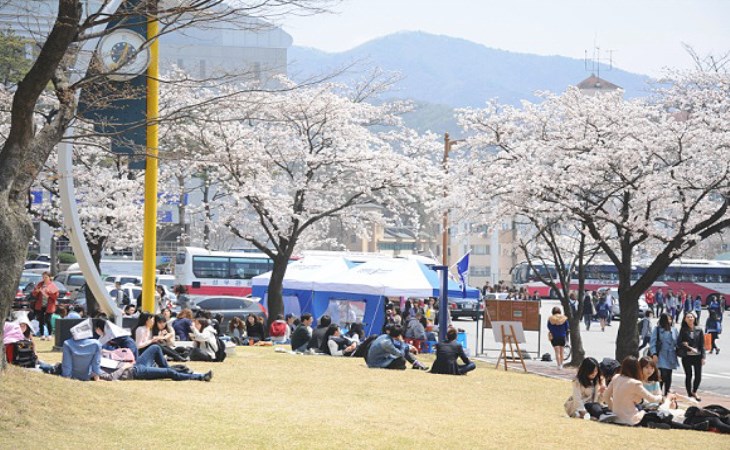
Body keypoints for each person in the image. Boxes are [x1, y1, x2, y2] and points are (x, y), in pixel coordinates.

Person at [604, 356, 693, 430]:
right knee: (661, 417)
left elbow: (606, 396)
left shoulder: (616, 377)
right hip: (631, 419)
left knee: (658, 417)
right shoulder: (635, 383)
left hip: (617, 417)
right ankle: (691, 427)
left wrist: (613, 408)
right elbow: (651, 398)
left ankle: (689, 426)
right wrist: (663, 399)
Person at [101, 344, 212, 382]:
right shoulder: (93, 369)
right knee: (169, 372)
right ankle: (200, 377)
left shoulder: (98, 358)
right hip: (134, 372)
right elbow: (110, 377)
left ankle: (170, 370)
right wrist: (124, 367)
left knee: (155, 347)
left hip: (135, 365)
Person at [677, 312, 705, 401]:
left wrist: (703, 357)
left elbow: (702, 345)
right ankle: (689, 393)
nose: (690, 318)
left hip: (697, 356)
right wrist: (685, 345)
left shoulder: (699, 330)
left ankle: (694, 391)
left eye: (691, 317)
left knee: (698, 376)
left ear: (694, 318)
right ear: (685, 319)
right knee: (688, 375)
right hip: (687, 356)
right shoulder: (683, 330)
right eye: (688, 317)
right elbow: (678, 343)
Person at [649, 313, 679, 395]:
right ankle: (659, 392)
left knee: (669, 374)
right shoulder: (657, 329)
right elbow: (652, 342)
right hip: (661, 353)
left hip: (671, 355)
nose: (669, 321)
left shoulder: (674, 330)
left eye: (670, 319)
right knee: (662, 374)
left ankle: (666, 392)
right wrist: (654, 354)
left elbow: (677, 342)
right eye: (667, 319)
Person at [31, 271, 59, 340]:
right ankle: (42, 334)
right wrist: (36, 292)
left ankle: (49, 334)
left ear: (49, 277)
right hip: (40, 305)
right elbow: (34, 294)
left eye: (46, 277)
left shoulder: (52, 285)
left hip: (49, 306)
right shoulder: (40, 284)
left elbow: (55, 297)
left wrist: (48, 293)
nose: (44, 278)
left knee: (48, 320)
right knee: (41, 320)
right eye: (43, 277)